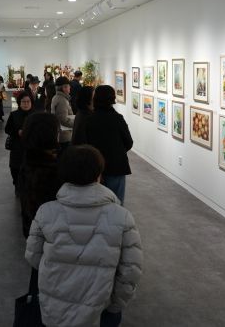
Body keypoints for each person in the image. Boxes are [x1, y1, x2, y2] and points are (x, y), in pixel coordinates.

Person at [25, 145, 143, 327]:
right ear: (99, 174)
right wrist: (116, 304)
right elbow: (130, 270)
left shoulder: (45, 212)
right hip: (101, 308)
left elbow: (33, 256)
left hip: (54, 306)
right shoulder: (122, 217)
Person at [83, 85, 133, 205]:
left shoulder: (89, 119)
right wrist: (117, 151)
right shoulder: (117, 118)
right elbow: (129, 142)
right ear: (112, 99)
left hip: (95, 166)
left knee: (97, 203)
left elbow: (85, 143)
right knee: (116, 203)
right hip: (116, 165)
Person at [19, 112, 62, 238]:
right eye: (57, 131)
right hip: (51, 238)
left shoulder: (28, 163)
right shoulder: (51, 172)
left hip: (33, 234)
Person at [4, 91, 34, 194]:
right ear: (19, 103)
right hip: (17, 146)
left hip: (31, 147)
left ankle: (29, 186)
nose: (26, 104)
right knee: (15, 168)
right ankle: (17, 184)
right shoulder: (14, 115)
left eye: (28, 101)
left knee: (30, 168)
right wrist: (17, 132)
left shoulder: (35, 115)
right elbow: (7, 129)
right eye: (23, 102)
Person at [50, 76, 74, 153]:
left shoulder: (57, 97)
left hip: (61, 134)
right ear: (64, 88)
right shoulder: (62, 100)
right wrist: (75, 123)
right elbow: (63, 120)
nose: (70, 88)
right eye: (68, 86)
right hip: (64, 136)